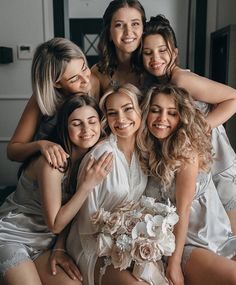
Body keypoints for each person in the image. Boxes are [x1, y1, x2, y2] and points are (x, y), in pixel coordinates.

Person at [0, 94, 113, 285]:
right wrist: (87, 185)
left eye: (92, 121)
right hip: (13, 236)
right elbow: (55, 224)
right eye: (77, 123)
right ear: (64, 127)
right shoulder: (52, 163)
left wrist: (60, 247)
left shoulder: (91, 156)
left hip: (46, 244)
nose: (86, 129)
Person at [141, 14, 236, 233]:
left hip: (219, 162)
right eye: (148, 53)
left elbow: (233, 97)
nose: (156, 58)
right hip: (199, 163)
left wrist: (200, 127)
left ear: (175, 52)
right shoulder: (157, 85)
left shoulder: (180, 79)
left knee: (230, 235)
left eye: (162, 50)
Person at [138, 84, 236, 285]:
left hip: (215, 238)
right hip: (188, 245)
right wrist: (174, 262)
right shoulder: (145, 149)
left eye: (172, 113)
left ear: (181, 118)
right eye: (155, 110)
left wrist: (173, 263)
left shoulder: (186, 149)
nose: (162, 118)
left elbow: (183, 209)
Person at [66, 83, 148, 285]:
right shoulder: (100, 156)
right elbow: (85, 224)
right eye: (112, 113)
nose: (120, 119)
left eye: (127, 109)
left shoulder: (144, 153)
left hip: (128, 243)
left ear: (140, 110)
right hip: (92, 246)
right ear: (106, 119)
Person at [7, 37, 100, 169]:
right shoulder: (41, 99)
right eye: (74, 79)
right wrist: (41, 145)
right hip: (47, 170)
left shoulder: (94, 83)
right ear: (56, 83)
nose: (86, 80)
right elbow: (12, 152)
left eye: (84, 68)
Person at [91, 0, 146, 96]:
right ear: (109, 33)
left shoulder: (154, 68)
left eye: (135, 24)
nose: (128, 32)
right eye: (119, 25)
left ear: (143, 29)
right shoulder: (97, 73)